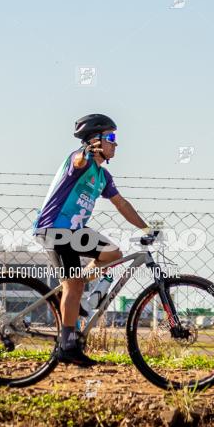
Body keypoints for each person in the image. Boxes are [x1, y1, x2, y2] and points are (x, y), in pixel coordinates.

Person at [33, 113, 153, 367]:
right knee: (74, 284)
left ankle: (78, 299)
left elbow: (121, 204)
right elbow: (77, 161)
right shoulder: (81, 160)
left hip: (75, 231)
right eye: (111, 138)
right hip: (54, 229)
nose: (115, 144)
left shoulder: (102, 177)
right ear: (95, 140)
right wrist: (85, 151)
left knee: (112, 254)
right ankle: (66, 346)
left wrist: (145, 227)